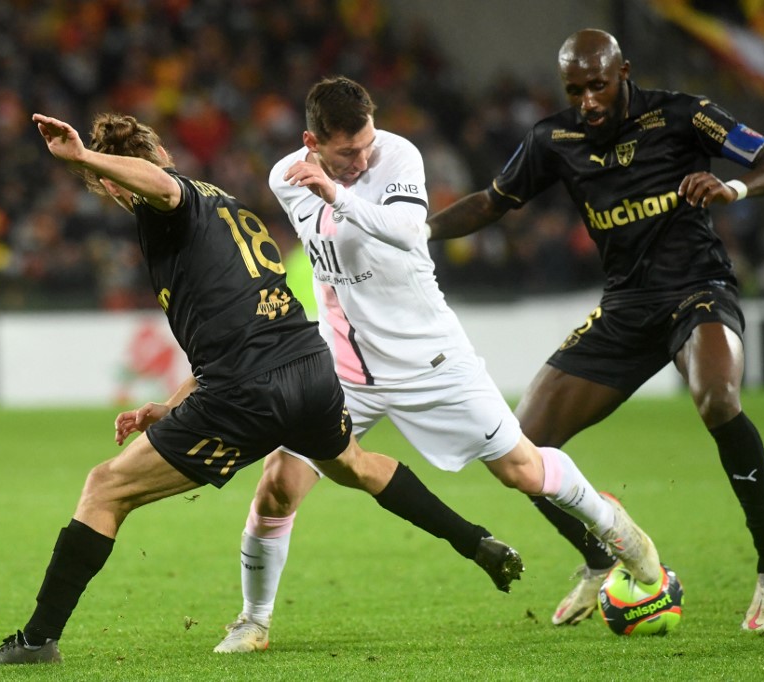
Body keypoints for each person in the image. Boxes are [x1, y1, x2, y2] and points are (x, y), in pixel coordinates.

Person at [0, 111, 529, 666]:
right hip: (309, 367)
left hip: (249, 392)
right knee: (352, 465)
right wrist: (169, 405)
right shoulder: (219, 201)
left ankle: (38, 642)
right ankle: (473, 539)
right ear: (163, 149)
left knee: (105, 488)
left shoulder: (169, 201)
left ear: (116, 185)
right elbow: (235, 329)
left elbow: (161, 188)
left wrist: (84, 158)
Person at [213, 76, 661, 654]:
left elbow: (407, 233)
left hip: (431, 358)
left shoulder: (398, 155)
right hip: (346, 371)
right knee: (277, 486)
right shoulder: (284, 177)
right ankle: (254, 622)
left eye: (366, 144)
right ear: (311, 141)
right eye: (347, 152)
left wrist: (337, 191)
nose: (362, 157)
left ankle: (614, 527)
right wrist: (327, 190)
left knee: (521, 472)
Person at [426, 29, 764, 632]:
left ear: (623, 71)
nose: (589, 101)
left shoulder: (683, 116)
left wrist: (732, 186)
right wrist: (416, 234)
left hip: (698, 289)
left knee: (716, 397)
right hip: (626, 307)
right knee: (520, 443)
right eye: (575, 90)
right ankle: (599, 558)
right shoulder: (554, 138)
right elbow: (493, 202)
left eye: (598, 85)